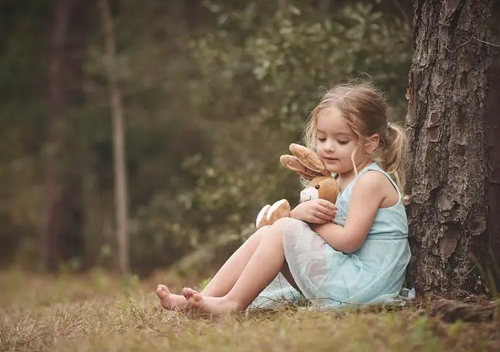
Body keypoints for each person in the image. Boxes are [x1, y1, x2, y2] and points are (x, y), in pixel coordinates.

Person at [156, 81, 411, 314]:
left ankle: (231, 305)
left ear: (370, 143)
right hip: (347, 274)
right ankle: (203, 299)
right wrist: (299, 216)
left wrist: (306, 221)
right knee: (272, 231)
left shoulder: (370, 180)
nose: (328, 147)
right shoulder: (336, 177)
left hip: (363, 284)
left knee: (282, 228)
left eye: (342, 141)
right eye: (322, 138)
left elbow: (349, 241)